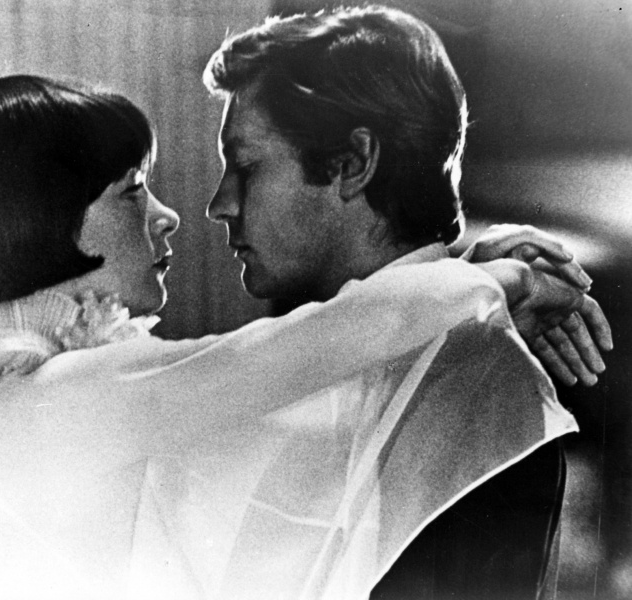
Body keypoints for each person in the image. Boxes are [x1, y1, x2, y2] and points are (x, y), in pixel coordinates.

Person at [0, 74, 606, 598]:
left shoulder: (14, 403)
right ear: (44, 216)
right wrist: (504, 279)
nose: (168, 215)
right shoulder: (63, 398)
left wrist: (469, 281)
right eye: (132, 190)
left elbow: (322, 417)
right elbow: (327, 343)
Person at [201, 4, 612, 598]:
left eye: (245, 166)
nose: (220, 204)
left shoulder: (482, 390)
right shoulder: (321, 360)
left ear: (353, 164)